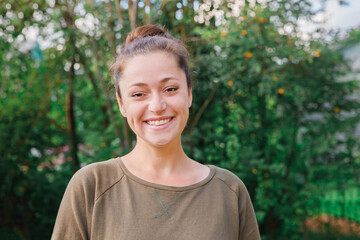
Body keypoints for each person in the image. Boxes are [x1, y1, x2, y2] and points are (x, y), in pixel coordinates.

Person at [52, 25, 261, 240]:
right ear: (121, 104)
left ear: (189, 93)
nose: (157, 105)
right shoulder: (91, 186)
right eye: (139, 94)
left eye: (170, 89)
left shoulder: (229, 191)